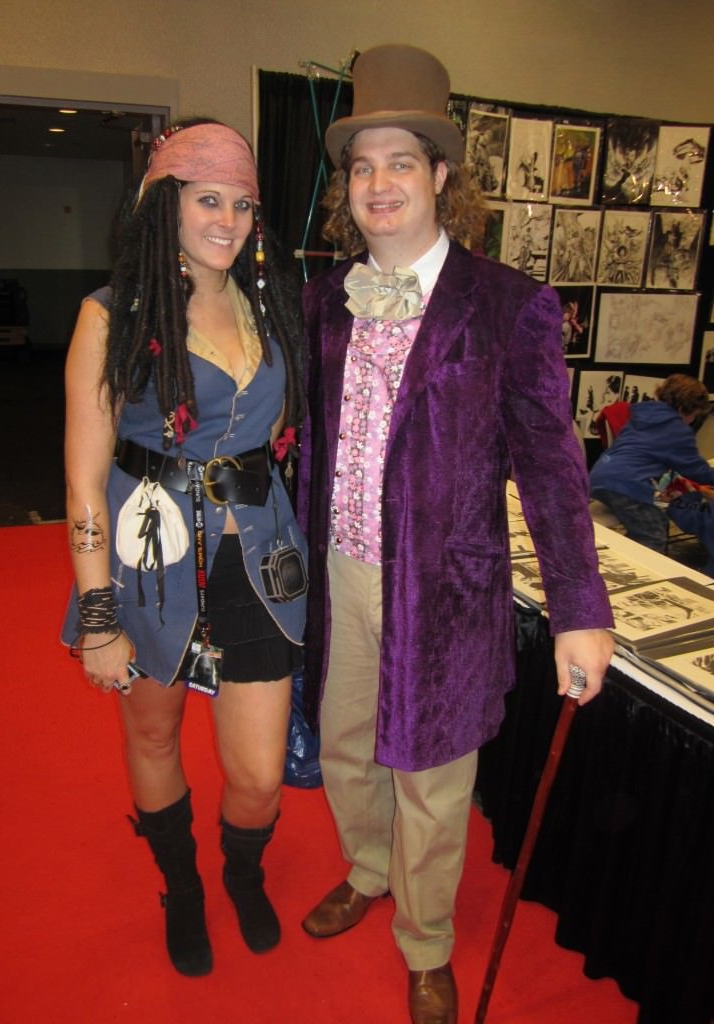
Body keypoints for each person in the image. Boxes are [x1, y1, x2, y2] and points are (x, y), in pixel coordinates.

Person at [296, 44, 614, 1024]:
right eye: (362, 166)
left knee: (432, 773)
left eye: (401, 162)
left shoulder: (509, 305)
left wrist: (581, 609)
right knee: (347, 746)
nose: (378, 184)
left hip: (445, 586)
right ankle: (366, 867)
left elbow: (553, 467)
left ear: (440, 175)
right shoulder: (324, 299)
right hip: (339, 567)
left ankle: (426, 938)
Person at [61, 118, 307, 977]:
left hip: (258, 558)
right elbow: (84, 481)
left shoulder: (272, 304)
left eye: (242, 204)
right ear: (163, 204)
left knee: (260, 773)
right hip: (149, 561)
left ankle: (242, 871)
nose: (227, 221)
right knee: (156, 735)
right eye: (207, 200)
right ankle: (182, 885)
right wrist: (98, 615)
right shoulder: (111, 317)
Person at [590, 374, 714, 553]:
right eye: (693, 415)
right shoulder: (677, 429)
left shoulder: (641, 416)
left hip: (601, 475)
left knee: (652, 522)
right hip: (628, 484)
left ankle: (623, 556)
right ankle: (633, 567)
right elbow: (695, 469)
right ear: (684, 408)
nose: (692, 421)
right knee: (652, 535)